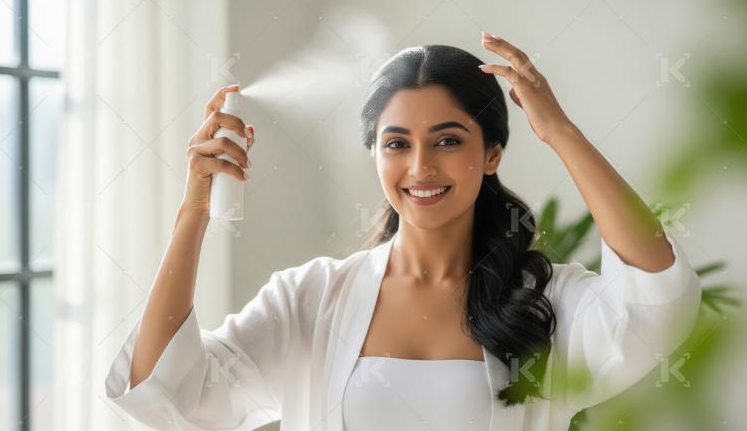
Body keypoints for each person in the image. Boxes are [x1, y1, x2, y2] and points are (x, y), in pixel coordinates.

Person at [105, 31, 702, 431]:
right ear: (375, 153)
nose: (420, 168)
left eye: (448, 140)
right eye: (397, 144)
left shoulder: (544, 305)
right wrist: (193, 212)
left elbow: (657, 295)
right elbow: (166, 391)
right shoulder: (312, 300)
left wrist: (560, 132)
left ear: (492, 153)